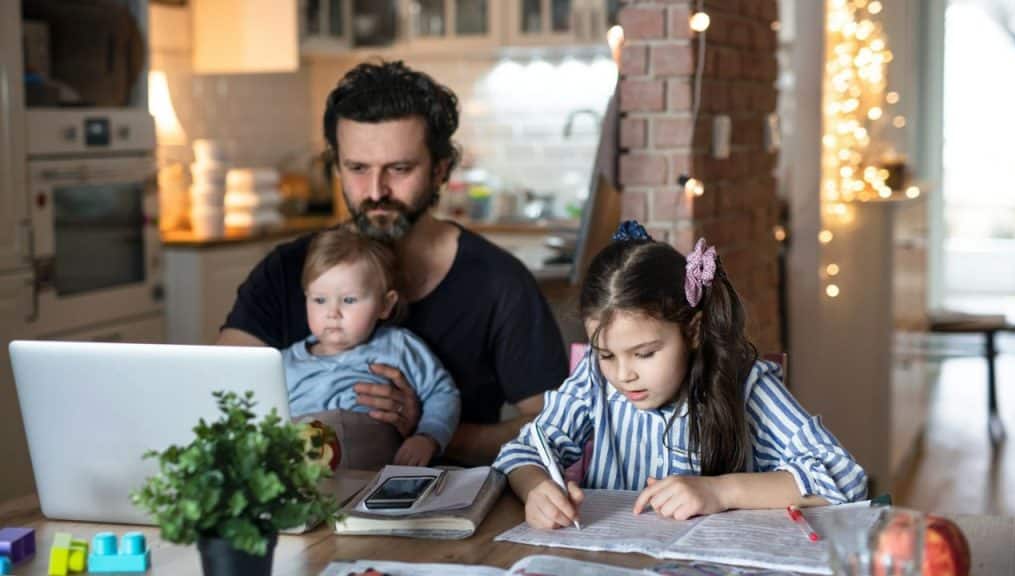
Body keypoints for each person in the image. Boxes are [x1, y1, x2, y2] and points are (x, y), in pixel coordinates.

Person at [217, 60, 568, 465]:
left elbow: (553, 424)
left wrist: (430, 433)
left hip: (444, 504)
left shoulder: (498, 281)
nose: (376, 191)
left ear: (440, 170)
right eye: (357, 168)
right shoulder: (286, 269)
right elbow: (221, 393)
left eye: (399, 169)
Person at [493, 221, 868, 530]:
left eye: (645, 354)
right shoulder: (594, 378)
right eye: (606, 354)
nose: (623, 376)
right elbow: (523, 451)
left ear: (692, 331)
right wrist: (537, 488)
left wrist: (721, 493)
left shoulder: (748, 385)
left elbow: (843, 476)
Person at [283, 227, 459, 466]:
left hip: (377, 474)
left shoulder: (397, 347)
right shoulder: (283, 363)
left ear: (385, 305)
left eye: (349, 300)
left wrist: (427, 436)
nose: (332, 313)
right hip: (304, 479)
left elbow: (442, 393)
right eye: (319, 300)